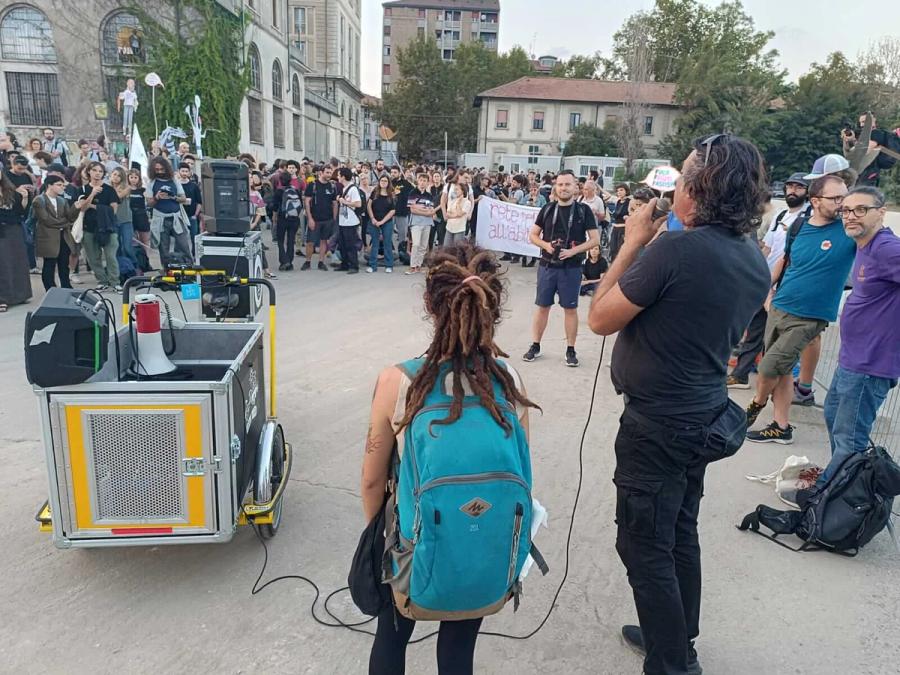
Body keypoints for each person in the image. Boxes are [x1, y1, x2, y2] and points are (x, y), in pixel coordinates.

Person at [588, 134, 771, 675]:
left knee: (643, 545)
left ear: (699, 189)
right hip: (701, 415)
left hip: (660, 427)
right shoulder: (751, 255)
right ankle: (676, 633)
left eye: (685, 176)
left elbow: (600, 317)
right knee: (678, 531)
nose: (678, 186)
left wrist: (630, 243)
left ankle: (673, 663)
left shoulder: (676, 248)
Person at [361, 243, 538, 675]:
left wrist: (379, 540)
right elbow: (522, 471)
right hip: (482, 550)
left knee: (392, 635)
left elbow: (370, 481)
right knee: (459, 650)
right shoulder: (509, 381)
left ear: (429, 303)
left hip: (412, 547)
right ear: (493, 308)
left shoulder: (400, 381)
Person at [745, 174, 856, 444]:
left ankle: (753, 407)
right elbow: (785, 261)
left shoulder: (849, 229)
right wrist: (765, 291)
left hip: (811, 316)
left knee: (769, 367)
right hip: (780, 306)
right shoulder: (798, 227)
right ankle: (780, 426)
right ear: (816, 201)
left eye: (845, 196)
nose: (843, 203)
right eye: (836, 198)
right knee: (782, 370)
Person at [814, 186, 899, 489]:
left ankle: (828, 497)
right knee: (834, 417)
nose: (851, 216)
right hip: (853, 359)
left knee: (849, 438)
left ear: (881, 211)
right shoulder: (865, 245)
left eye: (860, 209)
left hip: (869, 364)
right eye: (846, 210)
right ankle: (841, 487)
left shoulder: (887, 248)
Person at [728, 172, 810, 389]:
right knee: (754, 328)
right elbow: (767, 247)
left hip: (785, 284)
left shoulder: (808, 217)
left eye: (799, 187)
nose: (793, 190)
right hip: (766, 281)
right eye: (790, 186)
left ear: (808, 191)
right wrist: (756, 273)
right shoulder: (781, 215)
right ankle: (741, 374)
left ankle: (778, 383)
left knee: (778, 335)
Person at [522, 170, 600, 368]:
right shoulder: (547, 208)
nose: (564, 188)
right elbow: (533, 235)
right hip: (548, 266)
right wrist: (547, 246)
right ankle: (535, 345)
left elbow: (595, 240)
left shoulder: (583, 211)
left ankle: (571, 349)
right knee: (542, 307)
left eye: (568, 184)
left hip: (571, 268)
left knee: (570, 309)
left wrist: (573, 251)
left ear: (576, 187)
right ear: (555, 187)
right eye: (560, 184)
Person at [77, 161, 121, 291]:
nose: (97, 174)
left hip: (108, 227)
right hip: (89, 227)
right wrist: (92, 194)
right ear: (89, 172)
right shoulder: (82, 190)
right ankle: (102, 280)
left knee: (111, 256)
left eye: (100, 171)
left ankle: (115, 282)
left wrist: (94, 206)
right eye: (95, 170)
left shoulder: (109, 190)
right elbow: (82, 208)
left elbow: (113, 210)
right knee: (93, 257)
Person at [146, 156, 192, 270]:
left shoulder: (174, 181)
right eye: (157, 169)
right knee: (163, 248)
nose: (160, 172)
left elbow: (183, 198)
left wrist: (173, 197)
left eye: (162, 169)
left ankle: (190, 269)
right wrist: (157, 197)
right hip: (160, 218)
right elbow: (149, 203)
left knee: (184, 245)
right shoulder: (152, 183)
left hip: (176, 217)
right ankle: (167, 271)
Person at [33, 175, 77, 290]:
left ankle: (66, 287)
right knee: (49, 264)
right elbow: (46, 220)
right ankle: (50, 289)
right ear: (49, 186)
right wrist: (65, 223)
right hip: (48, 236)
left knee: (64, 264)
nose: (62, 187)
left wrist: (76, 208)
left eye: (63, 185)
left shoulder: (62, 200)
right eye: (59, 185)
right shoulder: (39, 200)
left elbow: (70, 218)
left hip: (63, 236)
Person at [0, 170, 33, 311]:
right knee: (3, 264)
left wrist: (25, 199)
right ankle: (3, 298)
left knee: (18, 261)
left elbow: (21, 212)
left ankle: (20, 295)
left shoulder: (10, 191)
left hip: (14, 229)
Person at [302, 164, 338, 271]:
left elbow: (335, 203)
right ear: (320, 173)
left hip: (327, 219)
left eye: (330, 172)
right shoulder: (312, 185)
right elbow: (307, 202)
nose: (329, 175)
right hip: (315, 219)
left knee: (324, 241)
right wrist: (310, 218)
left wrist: (334, 219)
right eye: (327, 172)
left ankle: (321, 262)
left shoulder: (332, 186)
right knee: (310, 242)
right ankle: (308, 261)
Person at [109, 167, 137, 279]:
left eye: (119, 175)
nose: (116, 177)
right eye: (114, 174)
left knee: (127, 246)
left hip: (126, 220)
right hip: (112, 221)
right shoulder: (107, 187)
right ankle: (121, 270)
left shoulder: (127, 188)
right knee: (116, 247)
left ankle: (135, 267)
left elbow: (117, 197)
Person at [406, 172, 435, 275]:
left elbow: (431, 211)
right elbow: (412, 210)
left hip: (427, 223)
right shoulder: (412, 193)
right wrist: (424, 211)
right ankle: (412, 266)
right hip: (416, 222)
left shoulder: (429, 195)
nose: (422, 183)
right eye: (421, 180)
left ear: (427, 183)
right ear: (418, 181)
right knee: (416, 244)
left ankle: (418, 265)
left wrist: (422, 209)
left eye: (425, 181)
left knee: (423, 246)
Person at [366, 175, 396, 274]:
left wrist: (381, 222)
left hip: (386, 222)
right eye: (382, 180)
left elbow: (392, 211)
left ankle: (389, 265)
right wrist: (373, 218)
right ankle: (372, 265)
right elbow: (369, 205)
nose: (383, 182)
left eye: (385, 181)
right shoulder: (375, 192)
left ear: (388, 183)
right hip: (374, 221)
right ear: (379, 182)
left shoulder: (391, 194)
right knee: (375, 243)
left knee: (387, 243)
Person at [335, 167, 362, 274]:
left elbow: (358, 203)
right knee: (342, 244)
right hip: (343, 220)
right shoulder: (344, 188)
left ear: (343, 177)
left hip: (351, 221)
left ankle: (354, 265)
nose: (337, 177)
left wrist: (345, 202)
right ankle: (345, 263)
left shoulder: (353, 189)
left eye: (338, 175)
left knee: (350, 244)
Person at [276, 173, 303, 271]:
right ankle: (290, 262)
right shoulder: (295, 190)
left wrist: (275, 217)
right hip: (294, 218)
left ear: (281, 180)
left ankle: (284, 261)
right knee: (291, 241)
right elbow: (301, 204)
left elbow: (274, 206)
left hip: (282, 218)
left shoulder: (279, 191)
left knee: (280, 240)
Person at [177, 163, 203, 249]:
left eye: (186, 171)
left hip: (192, 216)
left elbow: (199, 202)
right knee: (180, 238)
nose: (184, 173)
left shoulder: (194, 186)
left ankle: (195, 257)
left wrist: (195, 215)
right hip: (179, 216)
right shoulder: (176, 185)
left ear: (189, 172)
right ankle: (180, 257)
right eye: (182, 171)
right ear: (179, 172)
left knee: (194, 237)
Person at [127, 169, 151, 256]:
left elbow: (149, 199)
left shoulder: (142, 190)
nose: (133, 179)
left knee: (145, 240)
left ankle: (146, 259)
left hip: (141, 216)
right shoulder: (126, 190)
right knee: (132, 240)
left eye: (135, 177)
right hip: (130, 215)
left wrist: (147, 184)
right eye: (131, 177)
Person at [444, 181, 472, 247]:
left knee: (457, 249)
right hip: (449, 227)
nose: (455, 191)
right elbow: (447, 214)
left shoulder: (467, 202)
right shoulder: (452, 200)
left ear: (462, 190)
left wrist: (458, 203)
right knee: (446, 247)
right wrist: (456, 215)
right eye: (454, 190)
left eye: (457, 189)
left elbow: (460, 213)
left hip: (459, 229)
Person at [609, 183, 631, 262]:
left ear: (626, 191)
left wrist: (628, 217)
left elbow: (633, 214)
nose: (619, 192)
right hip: (615, 228)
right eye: (618, 191)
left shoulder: (629, 202)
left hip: (623, 228)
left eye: (621, 190)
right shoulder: (618, 202)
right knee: (612, 249)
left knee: (619, 250)